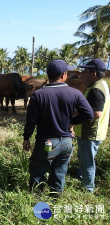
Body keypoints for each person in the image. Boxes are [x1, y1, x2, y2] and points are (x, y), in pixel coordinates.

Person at [22, 59, 93, 194]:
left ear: (48, 75)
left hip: (46, 141)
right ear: (63, 75)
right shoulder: (75, 93)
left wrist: (26, 138)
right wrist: (72, 122)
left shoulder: (38, 95)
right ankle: (55, 200)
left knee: (38, 172)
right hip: (66, 142)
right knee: (59, 173)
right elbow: (89, 114)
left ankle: (35, 201)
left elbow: (31, 120)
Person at [74, 59, 109, 193]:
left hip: (90, 132)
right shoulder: (101, 84)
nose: (82, 73)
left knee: (87, 161)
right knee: (84, 157)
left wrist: (74, 119)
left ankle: (88, 189)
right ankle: (81, 175)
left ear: (93, 74)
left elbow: (96, 113)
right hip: (93, 131)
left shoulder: (95, 90)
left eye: (85, 71)